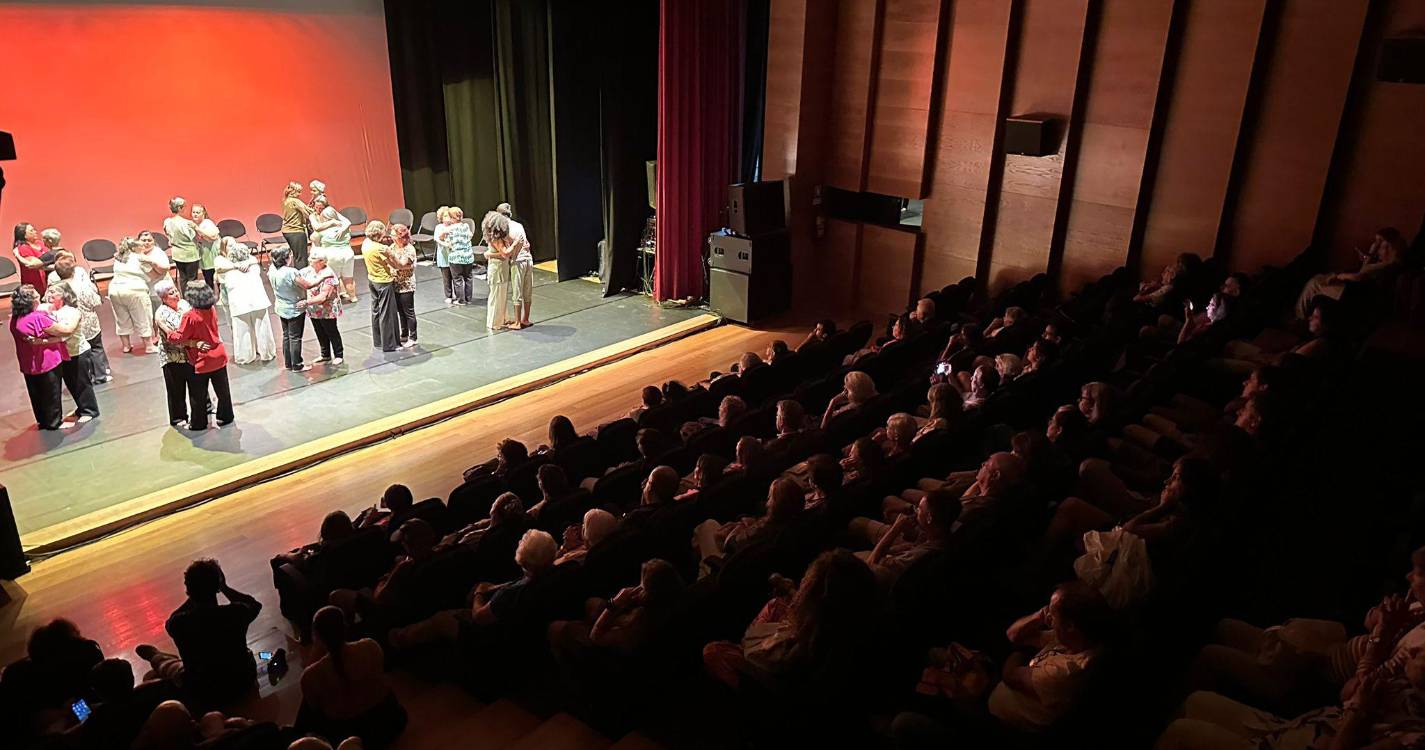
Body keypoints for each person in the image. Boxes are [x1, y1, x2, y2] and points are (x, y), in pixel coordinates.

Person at [702, 549, 878, 689]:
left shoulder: (791, 658)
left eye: (804, 584)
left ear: (811, 606)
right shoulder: (853, 630)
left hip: (758, 661)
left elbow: (764, 663)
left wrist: (742, 657)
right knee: (778, 603)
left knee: (712, 651)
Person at [984, 581, 1115, 732]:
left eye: (1052, 612)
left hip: (1008, 716)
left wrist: (1018, 652)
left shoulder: (1064, 670)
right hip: (1013, 687)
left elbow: (1010, 676)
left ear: (1070, 626)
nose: (1048, 616)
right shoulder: (1075, 638)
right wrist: (1038, 616)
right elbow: (1013, 635)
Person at [138, 559, 261, 704]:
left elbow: (170, 621)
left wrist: (194, 594)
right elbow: (254, 605)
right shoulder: (236, 613)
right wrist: (224, 587)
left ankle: (157, 656)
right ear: (217, 586)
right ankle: (161, 658)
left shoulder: (179, 623)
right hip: (242, 681)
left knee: (172, 667)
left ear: (188, 589)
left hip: (201, 691)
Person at [297, 607, 406, 749]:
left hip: (345, 734)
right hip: (386, 723)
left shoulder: (311, 675)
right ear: (345, 627)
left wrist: (315, 652)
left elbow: (313, 708)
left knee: (306, 705)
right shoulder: (370, 647)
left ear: (317, 637)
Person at [1294, 227, 1405, 318]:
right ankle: (1300, 316)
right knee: (1319, 278)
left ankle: (1299, 317)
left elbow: (1359, 277)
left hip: (1354, 296)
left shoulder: (1389, 265)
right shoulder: (1384, 262)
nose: (1377, 247)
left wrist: (1340, 276)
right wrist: (1370, 253)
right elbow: (1365, 269)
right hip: (1353, 291)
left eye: (1380, 244)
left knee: (1315, 283)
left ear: (1390, 247)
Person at [168, 282, 235, 429]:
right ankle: (226, 416)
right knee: (223, 391)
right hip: (219, 355)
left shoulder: (190, 316)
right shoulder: (211, 309)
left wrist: (168, 333)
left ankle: (198, 423)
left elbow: (179, 337)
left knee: (197, 394)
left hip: (201, 360)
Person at [39, 282, 101, 424]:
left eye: (53, 292)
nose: (49, 295)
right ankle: (81, 407)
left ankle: (89, 410)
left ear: (64, 295)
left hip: (77, 352)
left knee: (81, 382)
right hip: (65, 354)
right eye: (49, 292)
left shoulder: (71, 312)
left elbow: (66, 333)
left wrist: (41, 342)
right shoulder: (51, 311)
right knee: (71, 383)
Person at [9, 285, 69, 430]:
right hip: (46, 361)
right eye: (37, 296)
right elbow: (64, 330)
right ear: (32, 301)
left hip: (27, 362)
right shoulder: (38, 318)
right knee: (51, 392)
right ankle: (54, 422)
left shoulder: (16, 319)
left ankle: (43, 420)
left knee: (36, 393)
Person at [50, 252, 111, 384]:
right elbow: (96, 302)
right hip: (89, 323)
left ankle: (85, 377)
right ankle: (100, 376)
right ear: (73, 271)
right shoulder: (83, 286)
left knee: (77, 351)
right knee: (95, 348)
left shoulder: (55, 290)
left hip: (67, 325)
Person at [213, 237, 275, 365]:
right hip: (257, 301)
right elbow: (251, 260)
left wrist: (238, 266)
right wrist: (240, 265)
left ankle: (245, 356)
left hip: (240, 304)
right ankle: (267, 353)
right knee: (263, 329)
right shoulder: (254, 268)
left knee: (242, 332)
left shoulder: (230, 273)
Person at [152, 280, 204, 428]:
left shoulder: (184, 305)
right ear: (163, 298)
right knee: (176, 389)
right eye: (171, 293)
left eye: (175, 291)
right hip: (173, 357)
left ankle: (203, 409)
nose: (176, 294)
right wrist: (192, 342)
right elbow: (173, 338)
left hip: (191, 355)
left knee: (197, 385)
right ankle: (178, 417)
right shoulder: (161, 314)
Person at [107, 237, 157, 355]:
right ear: (134, 248)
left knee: (121, 318)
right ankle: (149, 346)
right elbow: (153, 270)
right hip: (134, 289)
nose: (143, 247)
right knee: (143, 316)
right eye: (141, 246)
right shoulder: (139, 257)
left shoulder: (118, 257)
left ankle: (126, 346)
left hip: (115, 289)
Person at [267, 247, 313, 372]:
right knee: (295, 337)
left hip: (281, 306)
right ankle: (297, 364)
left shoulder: (272, 269)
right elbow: (307, 285)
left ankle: (288, 363)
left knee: (286, 336)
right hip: (294, 307)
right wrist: (323, 278)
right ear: (286, 258)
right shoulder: (290, 272)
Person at [299, 249, 345, 366]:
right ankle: (325, 354)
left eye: (314, 259)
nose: (310, 260)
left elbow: (323, 297)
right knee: (319, 331)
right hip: (314, 309)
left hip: (326, 309)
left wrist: (307, 302)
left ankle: (338, 354)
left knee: (331, 331)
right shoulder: (309, 270)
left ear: (322, 261)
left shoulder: (328, 275)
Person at [361, 219, 401, 352]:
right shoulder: (381, 248)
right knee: (387, 314)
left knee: (376, 311)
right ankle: (390, 344)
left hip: (372, 279)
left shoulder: (366, 243)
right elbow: (397, 264)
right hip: (383, 282)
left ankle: (378, 341)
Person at [310, 194, 356, 302]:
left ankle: (335, 298)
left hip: (332, 255)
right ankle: (353, 297)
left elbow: (314, 237)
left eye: (321, 208)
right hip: (347, 253)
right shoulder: (342, 228)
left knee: (333, 278)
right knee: (348, 277)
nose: (318, 210)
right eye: (316, 207)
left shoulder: (323, 231)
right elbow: (347, 225)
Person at [496, 203, 534, 328]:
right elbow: (526, 243)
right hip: (528, 259)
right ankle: (526, 319)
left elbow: (508, 252)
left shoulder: (504, 228)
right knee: (527, 291)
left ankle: (517, 322)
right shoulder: (519, 225)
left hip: (518, 261)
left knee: (517, 292)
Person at [437, 206, 476, 306]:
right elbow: (470, 235)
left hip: (456, 257)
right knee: (468, 278)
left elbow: (440, 237)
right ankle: (468, 299)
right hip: (468, 256)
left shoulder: (449, 229)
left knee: (457, 279)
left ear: (452, 218)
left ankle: (460, 300)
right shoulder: (466, 226)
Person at [387, 223, 418, 348]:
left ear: (401, 236)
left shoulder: (409, 249)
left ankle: (413, 337)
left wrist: (391, 260)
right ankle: (404, 333)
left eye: (394, 235)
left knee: (408, 311)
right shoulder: (393, 246)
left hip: (406, 284)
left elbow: (402, 264)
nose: (391, 237)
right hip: (395, 283)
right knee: (400, 311)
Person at [480, 209, 512, 327]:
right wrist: (515, 244)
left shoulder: (495, 238)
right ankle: (495, 322)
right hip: (497, 269)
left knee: (500, 294)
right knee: (497, 295)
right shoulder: (497, 240)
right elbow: (504, 254)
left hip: (499, 268)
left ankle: (502, 318)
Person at [165, 196, 202, 289]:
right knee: (192, 279)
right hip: (190, 254)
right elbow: (195, 237)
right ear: (179, 208)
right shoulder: (187, 223)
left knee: (183, 278)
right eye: (184, 206)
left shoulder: (167, 222)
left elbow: (167, 233)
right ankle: (192, 299)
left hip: (177, 254)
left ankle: (185, 299)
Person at [13, 222, 51, 295]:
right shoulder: (23, 248)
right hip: (35, 282)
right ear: (24, 235)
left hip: (46, 279)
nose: (35, 232)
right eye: (31, 231)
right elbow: (35, 264)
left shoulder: (40, 243)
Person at [282, 181, 314, 267]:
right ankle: (303, 277)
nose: (300, 194)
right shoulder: (295, 201)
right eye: (299, 191)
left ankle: (298, 275)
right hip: (295, 231)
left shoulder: (286, 200)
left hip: (287, 231)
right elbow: (309, 212)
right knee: (301, 257)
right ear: (294, 191)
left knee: (297, 256)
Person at [190, 203, 221, 289]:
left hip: (213, 257)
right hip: (204, 258)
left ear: (203, 213)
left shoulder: (207, 223)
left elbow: (212, 237)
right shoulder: (193, 225)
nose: (195, 214)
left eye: (197, 212)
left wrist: (198, 230)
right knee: (208, 281)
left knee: (217, 280)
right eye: (193, 212)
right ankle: (211, 300)